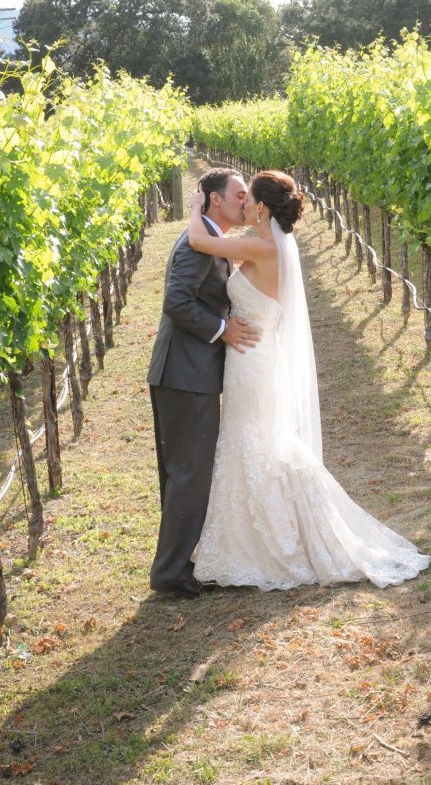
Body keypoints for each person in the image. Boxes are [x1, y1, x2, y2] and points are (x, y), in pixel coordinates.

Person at [187, 169, 430, 591]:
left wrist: (194, 207)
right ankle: (253, 536)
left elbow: (200, 241)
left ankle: (269, 542)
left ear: (260, 207)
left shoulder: (263, 247)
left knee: (254, 443)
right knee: (254, 443)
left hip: (252, 361)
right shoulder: (271, 245)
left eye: (246, 200)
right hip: (252, 356)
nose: (241, 204)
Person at [146, 168, 260, 598]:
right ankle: (171, 572)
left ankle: (175, 563)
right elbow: (176, 302)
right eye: (238, 194)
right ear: (215, 200)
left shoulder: (210, 237)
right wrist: (221, 329)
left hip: (188, 372)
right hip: (184, 373)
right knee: (189, 473)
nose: (244, 201)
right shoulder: (197, 244)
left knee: (186, 473)